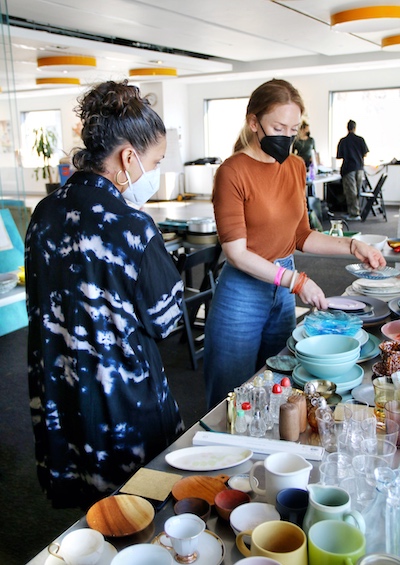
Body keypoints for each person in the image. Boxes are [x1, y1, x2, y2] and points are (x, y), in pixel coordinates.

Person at [25, 80, 185, 509]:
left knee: (91, 514)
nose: (154, 174)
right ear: (128, 157)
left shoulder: (43, 213)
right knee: (140, 508)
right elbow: (167, 321)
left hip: (62, 389)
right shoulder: (132, 226)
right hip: (123, 399)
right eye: (155, 162)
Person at [203, 79, 385, 409]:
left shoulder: (296, 167)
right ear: (253, 122)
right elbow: (236, 252)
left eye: (293, 127)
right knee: (230, 398)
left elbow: (300, 236)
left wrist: (351, 246)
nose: (287, 136)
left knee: (279, 385)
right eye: (277, 126)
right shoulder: (232, 171)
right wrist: (296, 281)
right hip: (243, 290)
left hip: (283, 286)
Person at [336, 119, 369, 221]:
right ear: (355, 128)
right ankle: (356, 211)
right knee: (357, 191)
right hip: (359, 168)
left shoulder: (343, 141)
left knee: (351, 191)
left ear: (347, 128)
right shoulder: (360, 140)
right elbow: (365, 153)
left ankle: (354, 213)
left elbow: (339, 156)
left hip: (348, 168)